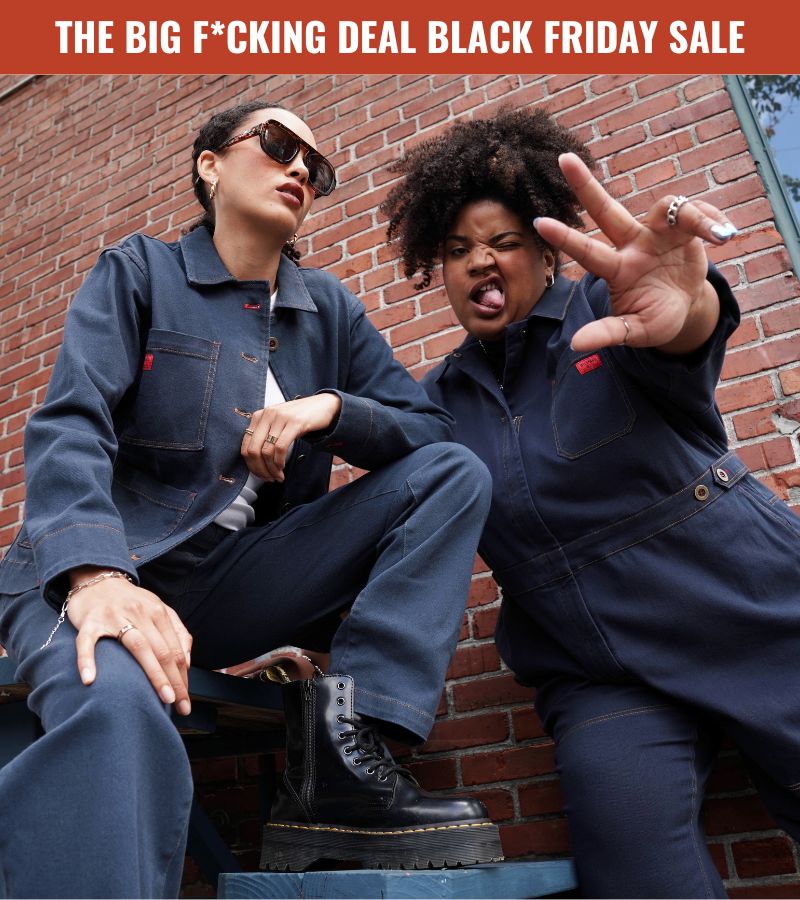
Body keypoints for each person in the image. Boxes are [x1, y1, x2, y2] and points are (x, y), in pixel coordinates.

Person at [0, 99, 503, 899]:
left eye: (316, 164)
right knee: (119, 709)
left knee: (453, 473)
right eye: (276, 146)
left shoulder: (328, 309)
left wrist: (328, 409)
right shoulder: (140, 272)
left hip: (227, 584)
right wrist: (95, 578)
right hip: (93, 574)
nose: (300, 167)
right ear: (210, 165)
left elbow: (431, 430)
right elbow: (70, 424)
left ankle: (345, 757)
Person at [381, 107, 800, 899]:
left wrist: (693, 305)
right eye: (459, 249)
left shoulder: (609, 312)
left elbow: (686, 334)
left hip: (742, 602)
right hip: (599, 669)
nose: (480, 262)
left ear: (545, 253)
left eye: (503, 241)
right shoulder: (434, 403)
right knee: (631, 860)